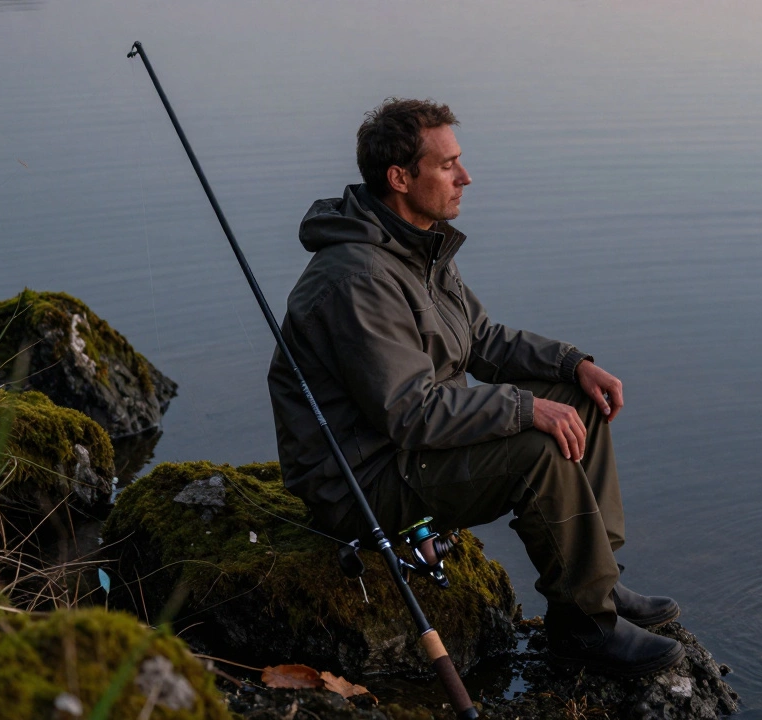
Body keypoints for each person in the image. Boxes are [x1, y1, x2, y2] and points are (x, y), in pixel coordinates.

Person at [267, 98, 683, 677]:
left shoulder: (416, 244)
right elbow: (409, 412)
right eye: (448, 165)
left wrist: (570, 365)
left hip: (407, 450)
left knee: (577, 405)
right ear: (400, 178)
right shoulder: (357, 279)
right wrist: (523, 408)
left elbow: (479, 339)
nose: (465, 177)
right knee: (538, 449)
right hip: (362, 480)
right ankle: (584, 628)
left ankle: (600, 583)